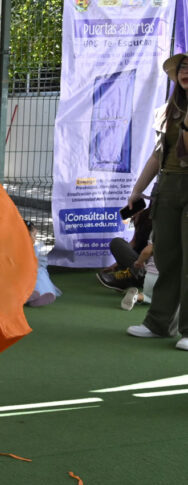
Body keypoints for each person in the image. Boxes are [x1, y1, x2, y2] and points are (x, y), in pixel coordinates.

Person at [124, 52, 188, 348]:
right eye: (182, 68)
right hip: (168, 187)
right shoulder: (170, 109)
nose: (185, 72)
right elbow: (157, 152)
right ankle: (159, 324)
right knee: (166, 257)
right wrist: (138, 190)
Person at [24, 221, 61, 308]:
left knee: (40, 273)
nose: (35, 238)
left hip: (32, 271)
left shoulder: (34, 249)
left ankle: (40, 295)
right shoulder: (16, 248)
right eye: (34, 235)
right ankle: (26, 295)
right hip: (21, 273)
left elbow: (36, 262)